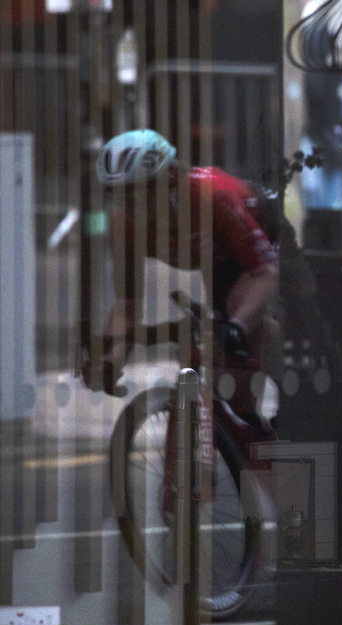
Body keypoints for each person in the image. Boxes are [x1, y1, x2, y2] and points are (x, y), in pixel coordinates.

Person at [84, 129, 280, 423]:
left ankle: (288, 406)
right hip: (216, 258)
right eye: (118, 194)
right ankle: (232, 433)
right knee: (202, 351)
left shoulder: (212, 195)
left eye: (137, 192)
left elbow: (265, 272)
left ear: (170, 178)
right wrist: (110, 360)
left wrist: (237, 326)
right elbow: (127, 304)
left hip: (267, 235)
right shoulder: (123, 224)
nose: (130, 206)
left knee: (241, 327)